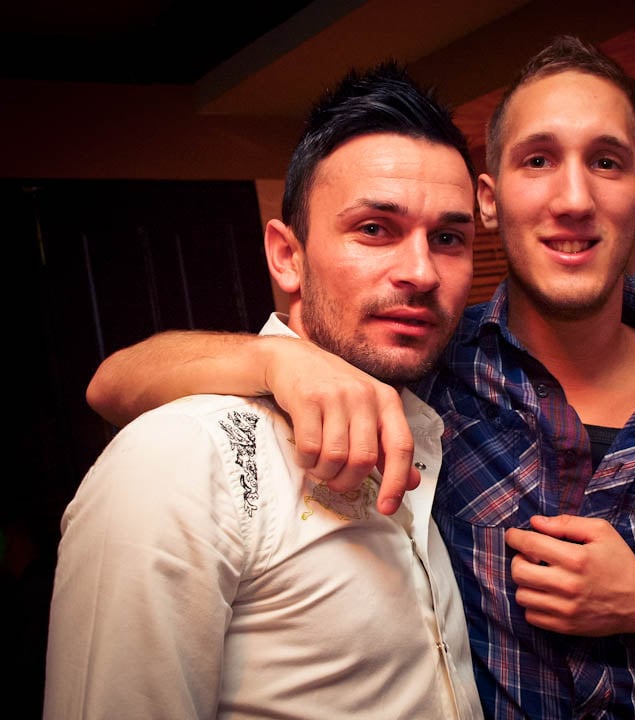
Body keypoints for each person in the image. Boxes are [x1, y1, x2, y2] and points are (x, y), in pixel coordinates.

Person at [86, 36, 635, 719]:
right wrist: (278, 357)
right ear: (489, 200)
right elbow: (117, 382)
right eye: (537, 160)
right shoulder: (429, 363)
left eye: (607, 162)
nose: (574, 197)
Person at [43, 62, 485, 719]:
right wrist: (274, 359)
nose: (421, 271)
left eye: (448, 238)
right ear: (287, 256)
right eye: (374, 229)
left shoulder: (442, 408)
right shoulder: (182, 459)